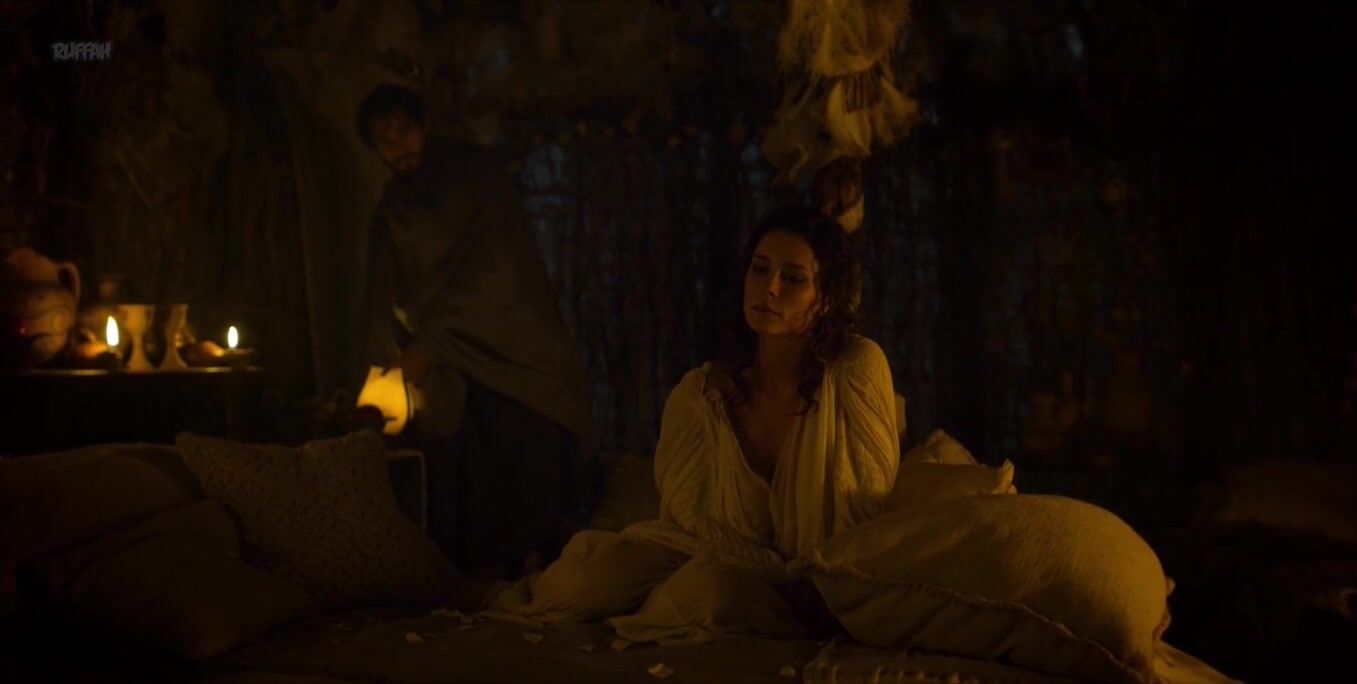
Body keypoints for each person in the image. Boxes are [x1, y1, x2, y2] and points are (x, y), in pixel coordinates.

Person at [491, 205, 900, 641]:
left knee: (705, 593)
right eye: (760, 269)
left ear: (827, 298)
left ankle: (668, 607)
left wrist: (787, 577)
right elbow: (687, 523)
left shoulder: (855, 371)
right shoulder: (702, 396)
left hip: (805, 581)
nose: (770, 288)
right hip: (708, 556)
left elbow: (864, 512)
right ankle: (492, 593)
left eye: (793, 278)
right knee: (579, 585)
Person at [355, 83, 594, 582]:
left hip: (511, 345)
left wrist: (435, 341)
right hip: (447, 363)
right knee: (461, 462)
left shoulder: (477, 178)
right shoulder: (395, 205)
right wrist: (392, 356)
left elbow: (497, 272)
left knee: (526, 451)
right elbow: (384, 287)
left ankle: (537, 568)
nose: (398, 147)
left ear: (423, 125)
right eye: (384, 140)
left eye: (404, 131)